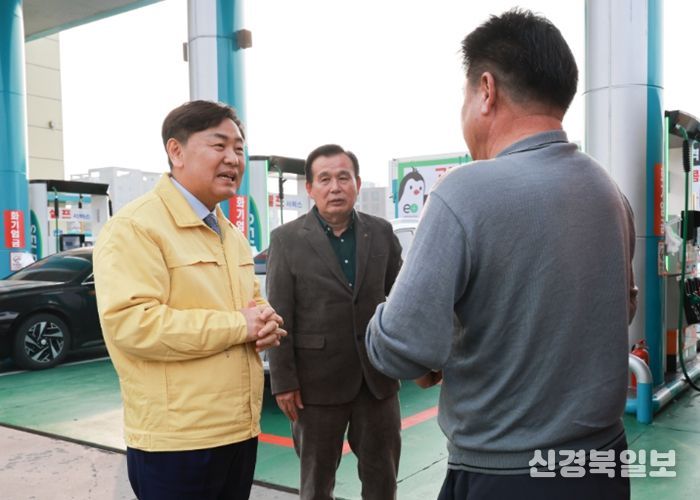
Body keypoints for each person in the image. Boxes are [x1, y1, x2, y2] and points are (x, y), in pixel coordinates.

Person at [366, 9, 638, 500]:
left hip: (506, 474)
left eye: (465, 94)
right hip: (602, 462)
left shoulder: (465, 191)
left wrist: (412, 336)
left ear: (486, 91)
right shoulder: (609, 192)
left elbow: (402, 346)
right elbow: (622, 308)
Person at [93, 100, 286, 500]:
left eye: (239, 148)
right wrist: (241, 325)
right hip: (177, 442)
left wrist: (265, 323)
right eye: (219, 145)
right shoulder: (136, 227)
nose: (233, 158)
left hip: (237, 430)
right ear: (176, 151)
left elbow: (250, 306)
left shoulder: (230, 234)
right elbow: (133, 325)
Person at [266, 144, 403, 500]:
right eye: (324, 179)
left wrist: (411, 358)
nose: (335, 187)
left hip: (377, 380)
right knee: (316, 483)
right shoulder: (286, 240)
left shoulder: (381, 232)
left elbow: (402, 299)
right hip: (314, 386)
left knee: (383, 478)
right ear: (310, 188)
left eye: (344, 178)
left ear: (357, 183)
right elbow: (279, 315)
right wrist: (283, 382)